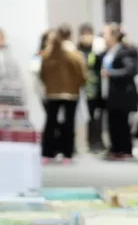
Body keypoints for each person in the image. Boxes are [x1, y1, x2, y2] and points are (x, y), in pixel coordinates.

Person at [39, 25, 87, 163]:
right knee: (69, 123)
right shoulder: (74, 52)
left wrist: (48, 85)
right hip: (71, 93)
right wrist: (79, 84)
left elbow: (42, 72)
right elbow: (82, 72)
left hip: (52, 92)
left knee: (50, 122)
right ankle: (67, 154)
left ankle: (47, 153)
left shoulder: (49, 51)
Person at [101, 24, 138, 160]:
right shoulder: (109, 51)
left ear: (114, 36)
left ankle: (125, 149)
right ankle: (115, 148)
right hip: (111, 94)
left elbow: (129, 71)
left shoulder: (124, 51)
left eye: (105, 34)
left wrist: (110, 74)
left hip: (122, 95)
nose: (103, 37)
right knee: (113, 122)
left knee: (122, 123)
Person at [77, 24, 105, 152]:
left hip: (96, 89)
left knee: (97, 117)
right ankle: (88, 142)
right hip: (82, 90)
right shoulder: (77, 51)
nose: (86, 37)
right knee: (85, 117)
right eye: (84, 34)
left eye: (89, 34)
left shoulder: (98, 51)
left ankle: (97, 141)